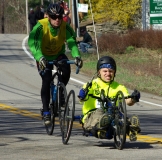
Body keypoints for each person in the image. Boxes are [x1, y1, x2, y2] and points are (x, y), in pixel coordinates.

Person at [28, 3, 83, 125]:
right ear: (48, 16)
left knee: (67, 70)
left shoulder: (65, 26)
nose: (57, 20)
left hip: (58, 54)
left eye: (59, 17)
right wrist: (39, 57)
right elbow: (34, 44)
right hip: (42, 56)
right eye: (54, 17)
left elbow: (72, 42)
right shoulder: (40, 26)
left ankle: (61, 93)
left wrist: (77, 56)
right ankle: (46, 111)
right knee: (46, 80)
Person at [78, 56, 141, 141]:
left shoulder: (119, 87)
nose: (108, 74)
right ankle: (100, 127)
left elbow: (128, 101)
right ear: (99, 72)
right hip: (92, 115)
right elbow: (81, 100)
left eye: (111, 71)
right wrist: (82, 95)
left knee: (120, 116)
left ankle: (131, 129)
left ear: (114, 73)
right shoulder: (91, 85)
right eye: (105, 71)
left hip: (112, 115)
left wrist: (134, 98)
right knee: (100, 112)